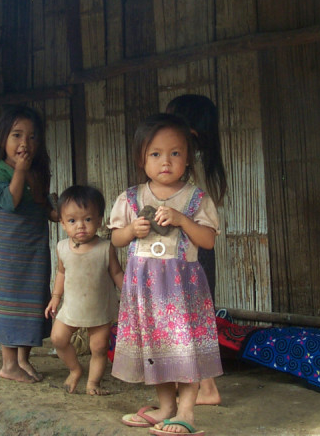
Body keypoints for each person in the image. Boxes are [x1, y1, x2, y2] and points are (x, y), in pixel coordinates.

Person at [110, 113, 221, 436]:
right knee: (155, 348)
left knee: (185, 348)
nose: (166, 162)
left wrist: (182, 220)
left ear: (188, 158)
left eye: (175, 153)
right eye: (155, 154)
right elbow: (116, 239)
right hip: (145, 291)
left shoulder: (196, 198)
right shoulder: (131, 198)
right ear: (141, 158)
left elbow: (208, 240)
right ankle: (166, 407)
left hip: (181, 291)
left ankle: (187, 412)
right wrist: (132, 230)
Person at [0, 105, 58, 383]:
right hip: (11, 256)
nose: (25, 143)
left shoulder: (38, 173)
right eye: (17, 135)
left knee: (33, 302)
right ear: (3, 138)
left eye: (32, 136)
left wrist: (63, 214)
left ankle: (23, 359)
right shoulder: (0, 174)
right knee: (10, 302)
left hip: (36, 251)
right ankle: (8, 364)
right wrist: (21, 171)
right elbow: (11, 201)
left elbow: (45, 207)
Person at [166, 94, 228, 406]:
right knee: (193, 315)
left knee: (191, 316)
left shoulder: (188, 166)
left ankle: (207, 388)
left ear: (188, 132)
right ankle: (198, 383)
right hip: (198, 249)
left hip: (190, 251)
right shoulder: (207, 163)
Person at [44, 185, 124, 396]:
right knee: (58, 338)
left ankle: (93, 383)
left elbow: (116, 272)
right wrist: (55, 297)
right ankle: (75, 369)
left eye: (87, 219)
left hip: (99, 309)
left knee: (99, 347)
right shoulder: (62, 248)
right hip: (72, 306)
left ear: (99, 220)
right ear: (62, 223)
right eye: (72, 221)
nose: (80, 226)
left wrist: (128, 294)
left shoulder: (105, 247)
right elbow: (61, 273)